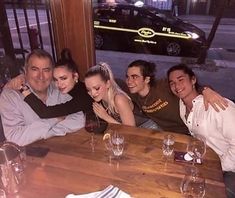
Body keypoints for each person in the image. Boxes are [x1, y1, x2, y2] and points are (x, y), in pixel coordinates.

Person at [167, 63, 235, 198]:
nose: (177, 86)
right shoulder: (182, 105)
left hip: (230, 169)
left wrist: (217, 167)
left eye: (181, 80)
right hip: (208, 161)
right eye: (172, 83)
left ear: (193, 80)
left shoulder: (217, 105)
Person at [0, 49, 85, 146]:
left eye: (46, 70)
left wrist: (42, 133)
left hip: (60, 150)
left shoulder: (59, 89)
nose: (41, 76)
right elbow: (15, 138)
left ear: (52, 72)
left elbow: (79, 119)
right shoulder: (10, 96)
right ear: (25, 71)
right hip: (27, 157)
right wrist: (55, 119)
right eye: (35, 69)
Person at [125, 60, 228, 134]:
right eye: (128, 77)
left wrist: (207, 91)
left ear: (147, 79)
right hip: (169, 134)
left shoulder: (163, 85)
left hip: (194, 131)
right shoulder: (133, 94)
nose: (129, 81)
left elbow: (190, 86)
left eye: (134, 77)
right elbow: (115, 86)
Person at [11, 48, 94, 118]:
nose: (59, 84)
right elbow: (43, 78)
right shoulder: (71, 88)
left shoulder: (83, 96)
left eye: (63, 78)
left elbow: (44, 112)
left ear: (75, 76)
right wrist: (24, 76)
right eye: (55, 79)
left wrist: (24, 89)